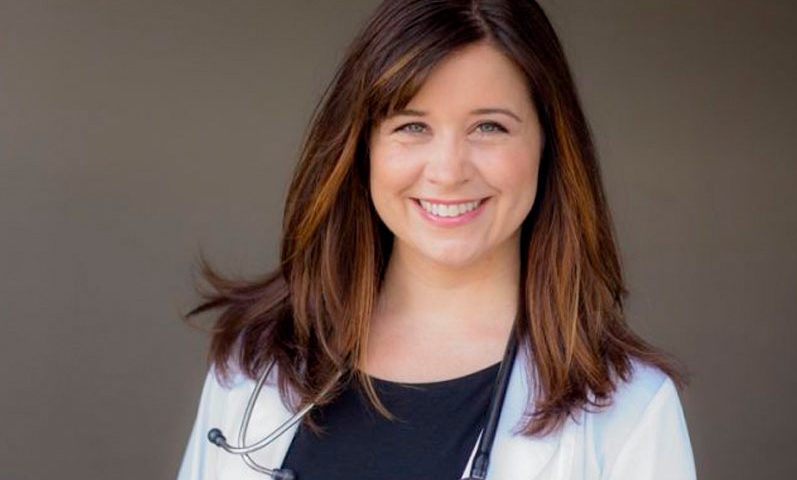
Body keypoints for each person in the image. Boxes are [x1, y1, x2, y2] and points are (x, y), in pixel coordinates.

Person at [177, 0, 697, 479]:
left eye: (489, 127)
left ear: (549, 143)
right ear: (362, 146)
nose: (448, 172)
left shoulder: (628, 412)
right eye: (412, 126)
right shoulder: (256, 363)